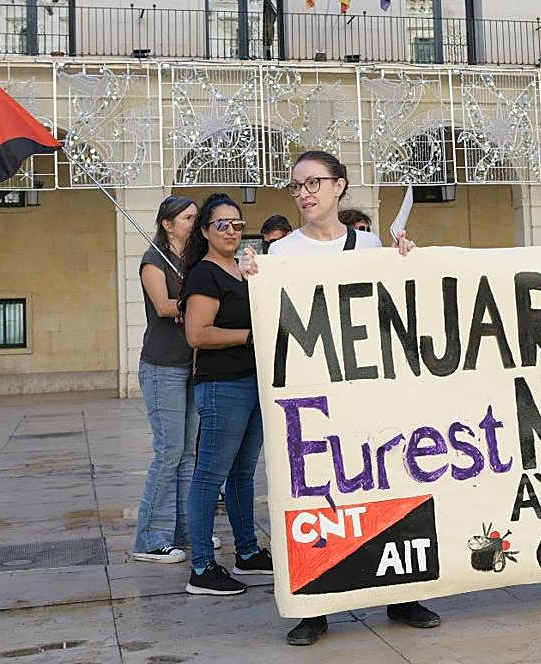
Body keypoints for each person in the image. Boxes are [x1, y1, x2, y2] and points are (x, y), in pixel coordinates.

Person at [241, 151, 435, 646]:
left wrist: (406, 262)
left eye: (313, 183)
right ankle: (316, 605)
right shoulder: (283, 253)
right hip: (312, 398)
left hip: (368, 391)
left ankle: (402, 594)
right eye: (296, 186)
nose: (304, 193)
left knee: (387, 483)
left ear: (339, 186)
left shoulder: (368, 243)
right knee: (317, 494)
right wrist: (253, 276)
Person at [180, 193, 273, 596]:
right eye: (222, 224)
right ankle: (201, 567)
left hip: (253, 382)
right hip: (222, 387)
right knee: (209, 476)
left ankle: (247, 553)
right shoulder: (205, 274)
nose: (231, 231)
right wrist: (251, 336)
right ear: (205, 230)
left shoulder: (239, 270)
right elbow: (197, 334)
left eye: (237, 224)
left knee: (242, 474)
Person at [131, 195, 200, 563]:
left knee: (188, 454)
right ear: (167, 224)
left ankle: (184, 531)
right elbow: (162, 305)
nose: (194, 222)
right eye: (187, 218)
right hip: (162, 367)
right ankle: (150, 538)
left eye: (195, 217)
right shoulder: (153, 261)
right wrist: (203, 303)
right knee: (169, 452)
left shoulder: (192, 260)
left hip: (192, 365)